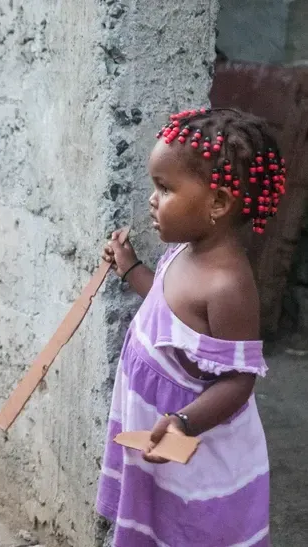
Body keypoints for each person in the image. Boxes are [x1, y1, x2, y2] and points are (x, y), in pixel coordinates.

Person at [97, 107, 280, 546]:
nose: (152, 199)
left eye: (165, 188)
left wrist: (184, 422)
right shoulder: (184, 251)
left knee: (194, 530)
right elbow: (166, 310)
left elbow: (239, 380)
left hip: (200, 453)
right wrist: (130, 269)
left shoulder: (228, 286)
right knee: (158, 523)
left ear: (218, 202)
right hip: (161, 438)